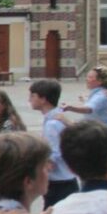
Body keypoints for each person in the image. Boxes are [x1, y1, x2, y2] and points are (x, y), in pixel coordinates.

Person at [29, 78, 80, 207]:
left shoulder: (52, 123)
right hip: (64, 179)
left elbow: (53, 154)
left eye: (33, 96)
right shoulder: (55, 118)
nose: (29, 99)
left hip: (59, 182)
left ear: (43, 99)